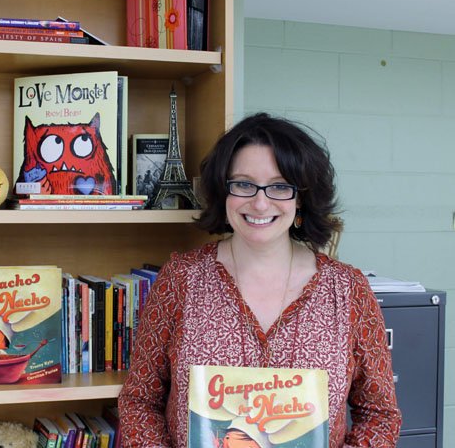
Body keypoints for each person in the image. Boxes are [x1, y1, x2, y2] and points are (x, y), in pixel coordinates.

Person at [118, 113, 401, 448]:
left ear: (301, 200)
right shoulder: (180, 280)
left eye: (280, 186)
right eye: (243, 183)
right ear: (224, 192)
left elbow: (379, 414)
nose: (260, 201)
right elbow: (139, 401)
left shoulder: (349, 289)